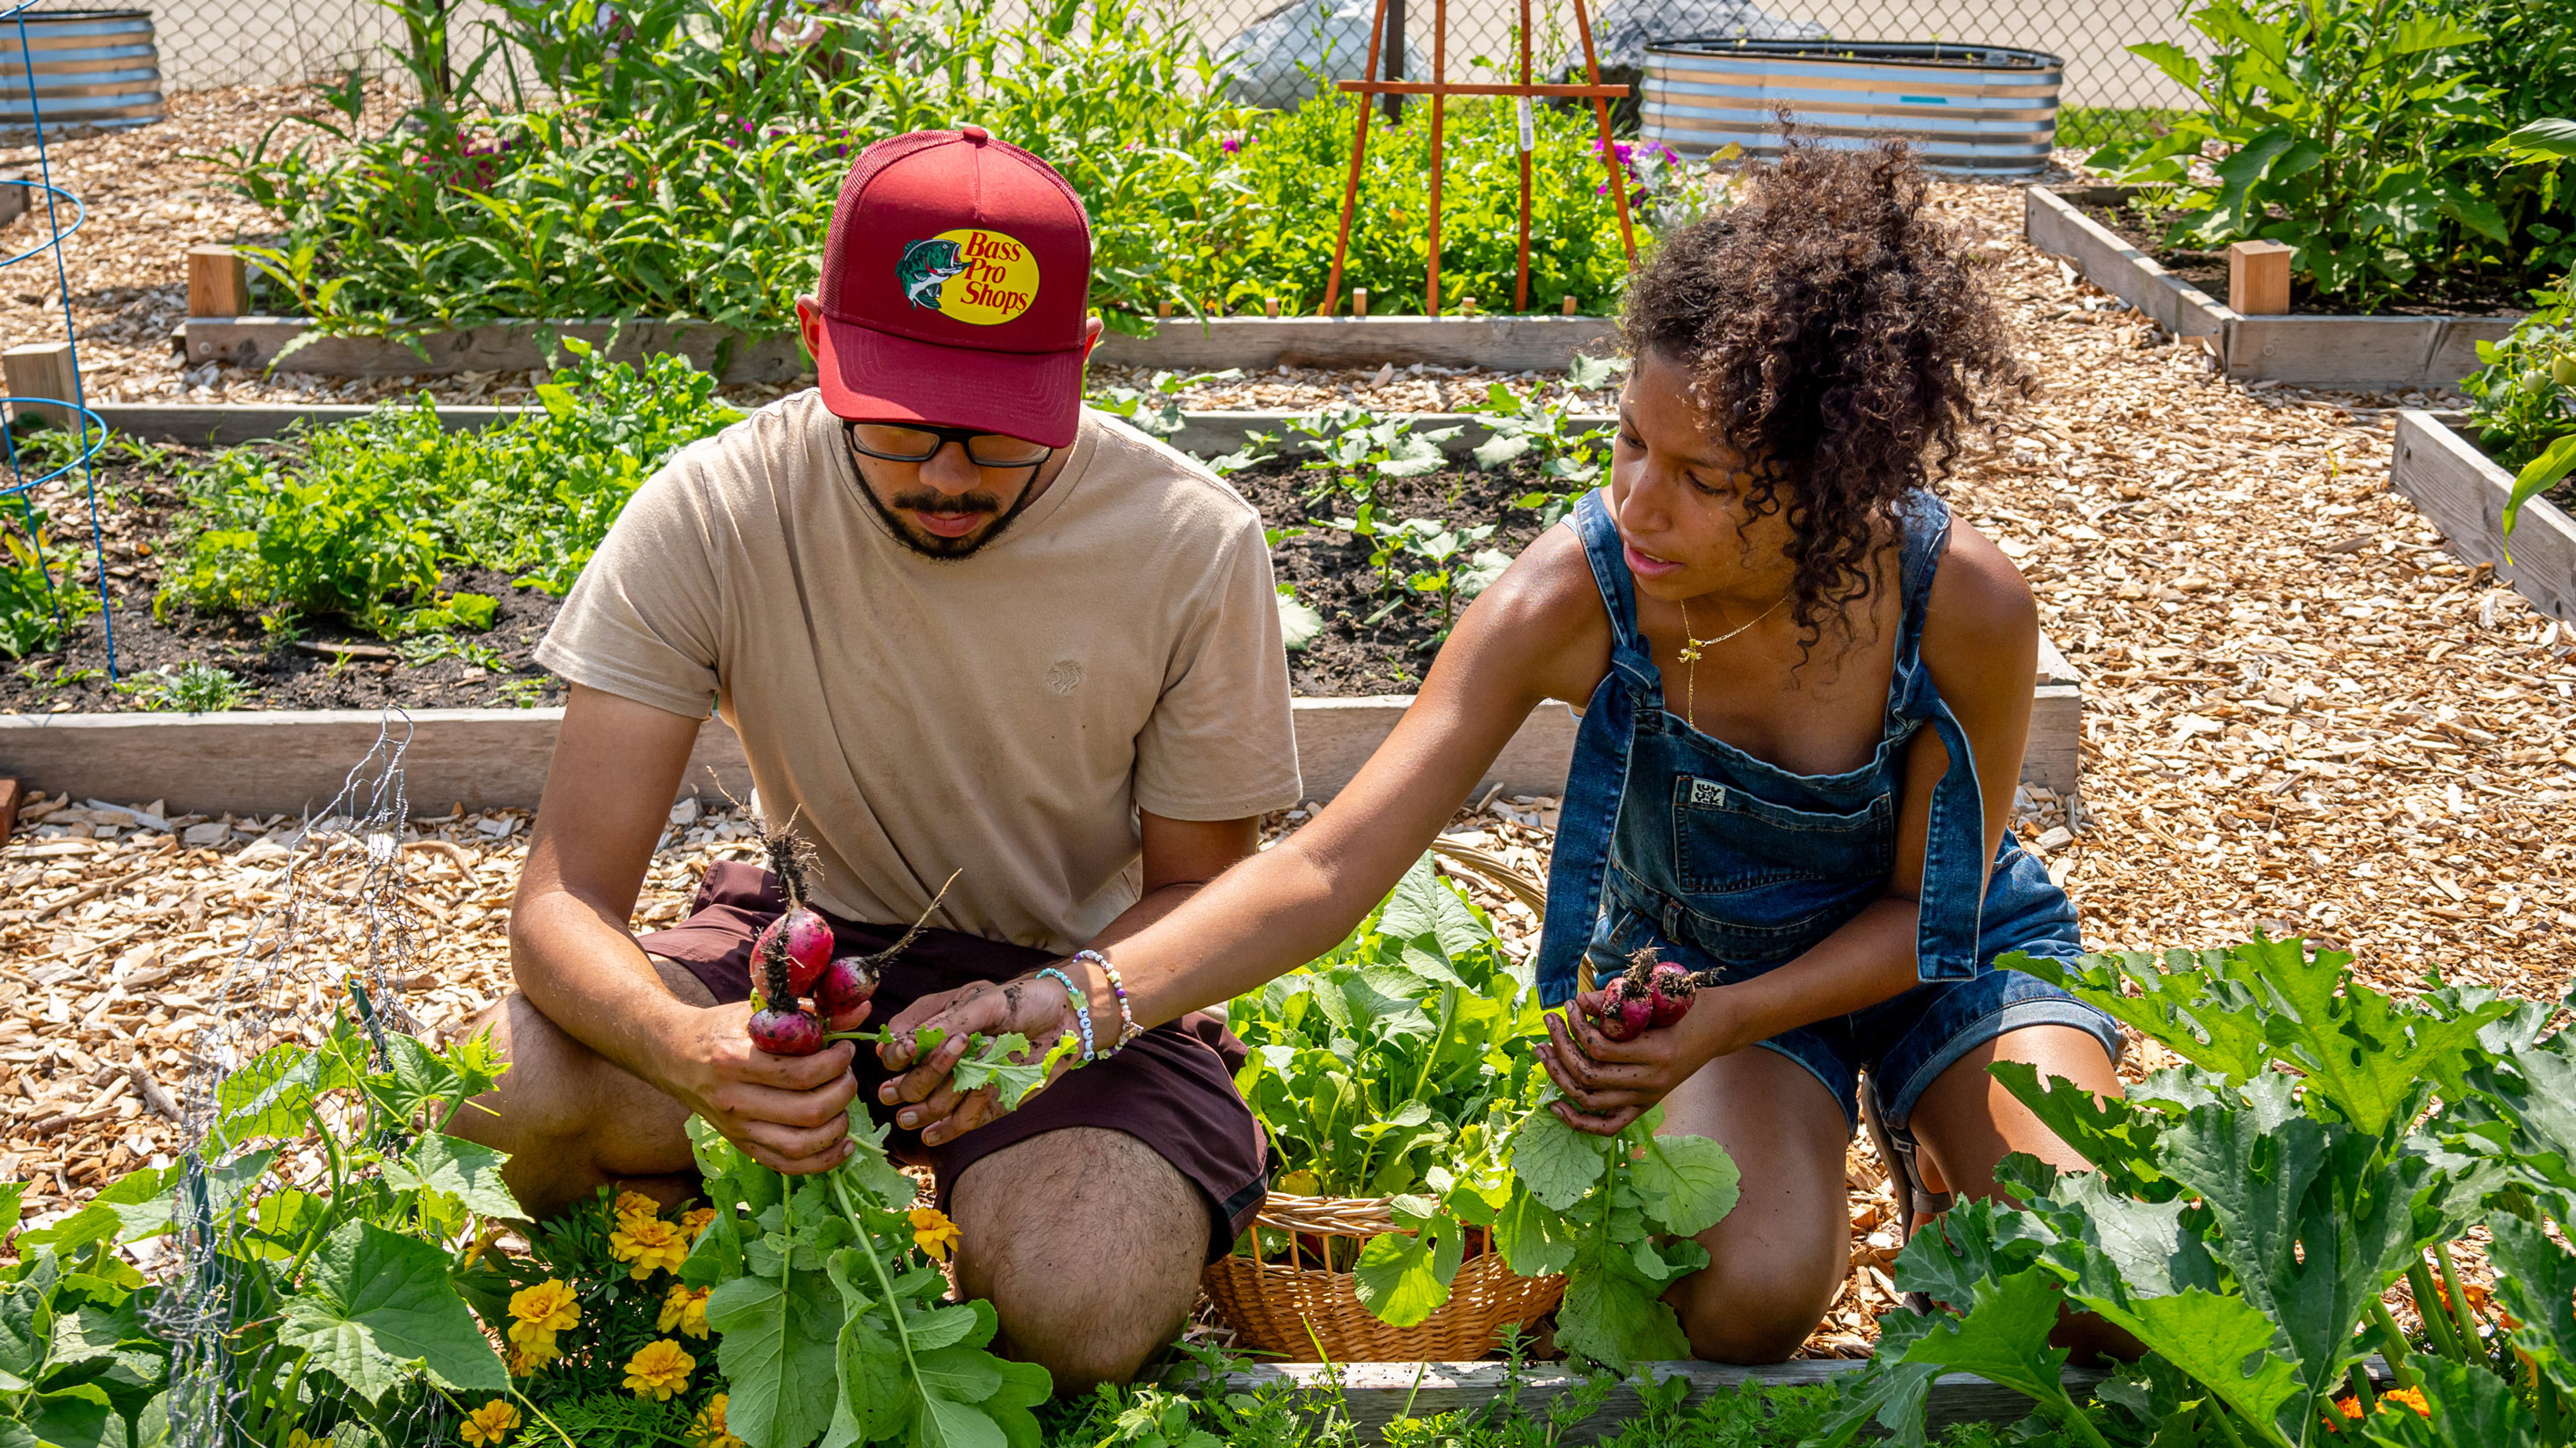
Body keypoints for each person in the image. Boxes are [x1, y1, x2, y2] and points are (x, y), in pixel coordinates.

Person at [873, 140, 2129, 1365]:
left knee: (2096, 1283)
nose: (1639, 502)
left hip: (1943, 954)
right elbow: (1327, 868)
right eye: (1632, 441)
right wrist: (1076, 1002)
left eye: (1706, 476)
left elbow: (1932, 916)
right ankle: (1876, 1140)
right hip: (1699, 980)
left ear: (1832, 487)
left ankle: (1939, 1147)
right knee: (1750, 1302)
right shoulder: (1574, 596)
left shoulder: (1960, 606)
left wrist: (1734, 1017)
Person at [453, 127, 1303, 1389]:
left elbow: (1199, 891)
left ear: (1080, 361)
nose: (951, 477)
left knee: (1086, 1300)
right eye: (902, 429)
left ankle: (911, 1233)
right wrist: (691, 1055)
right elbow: (563, 901)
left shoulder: (1188, 540)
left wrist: (1059, 1015)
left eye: (1002, 430)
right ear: (817, 342)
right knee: (503, 1094)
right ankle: (712, 1256)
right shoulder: (713, 508)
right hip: (811, 953)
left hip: (1070, 995)